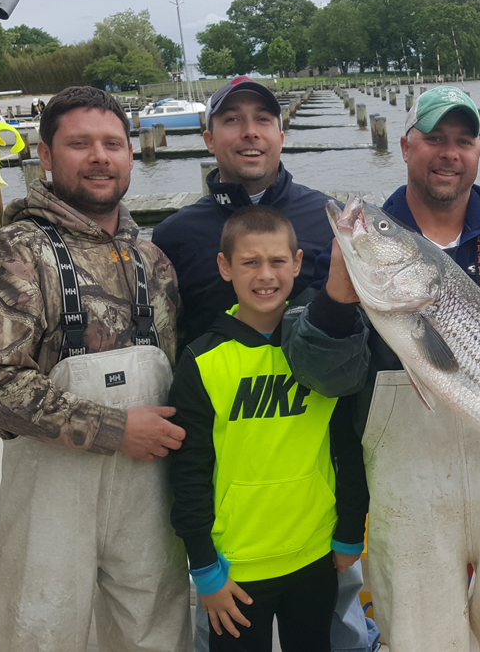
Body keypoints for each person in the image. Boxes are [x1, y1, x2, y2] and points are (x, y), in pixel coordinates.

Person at [282, 86, 480, 652]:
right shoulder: (350, 254)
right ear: (406, 147)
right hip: (404, 479)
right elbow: (324, 380)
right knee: (419, 636)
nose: (448, 152)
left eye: (463, 140)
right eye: (434, 138)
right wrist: (337, 298)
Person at [0, 86, 191, 651]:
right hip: (51, 495)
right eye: (80, 143)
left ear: (130, 155)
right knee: (42, 631)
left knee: (155, 631)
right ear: (45, 155)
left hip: (148, 493)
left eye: (113, 143)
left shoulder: (153, 261)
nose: (99, 157)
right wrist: (115, 429)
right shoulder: (13, 252)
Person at [152, 76, 381, 652]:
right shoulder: (174, 237)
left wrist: (351, 518)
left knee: (336, 628)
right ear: (208, 137)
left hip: (316, 477)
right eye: (232, 120)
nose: (249, 132)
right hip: (234, 490)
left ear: (282, 134)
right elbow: (167, 348)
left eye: (263, 120)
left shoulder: (335, 221)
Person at [168, 207, 367, 652]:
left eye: (277, 262)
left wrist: (350, 531)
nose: (265, 275)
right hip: (235, 569)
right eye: (250, 262)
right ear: (225, 268)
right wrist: (203, 566)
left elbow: (347, 447)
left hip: (315, 556)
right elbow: (189, 472)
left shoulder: (324, 352)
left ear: (297, 263)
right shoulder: (201, 362)